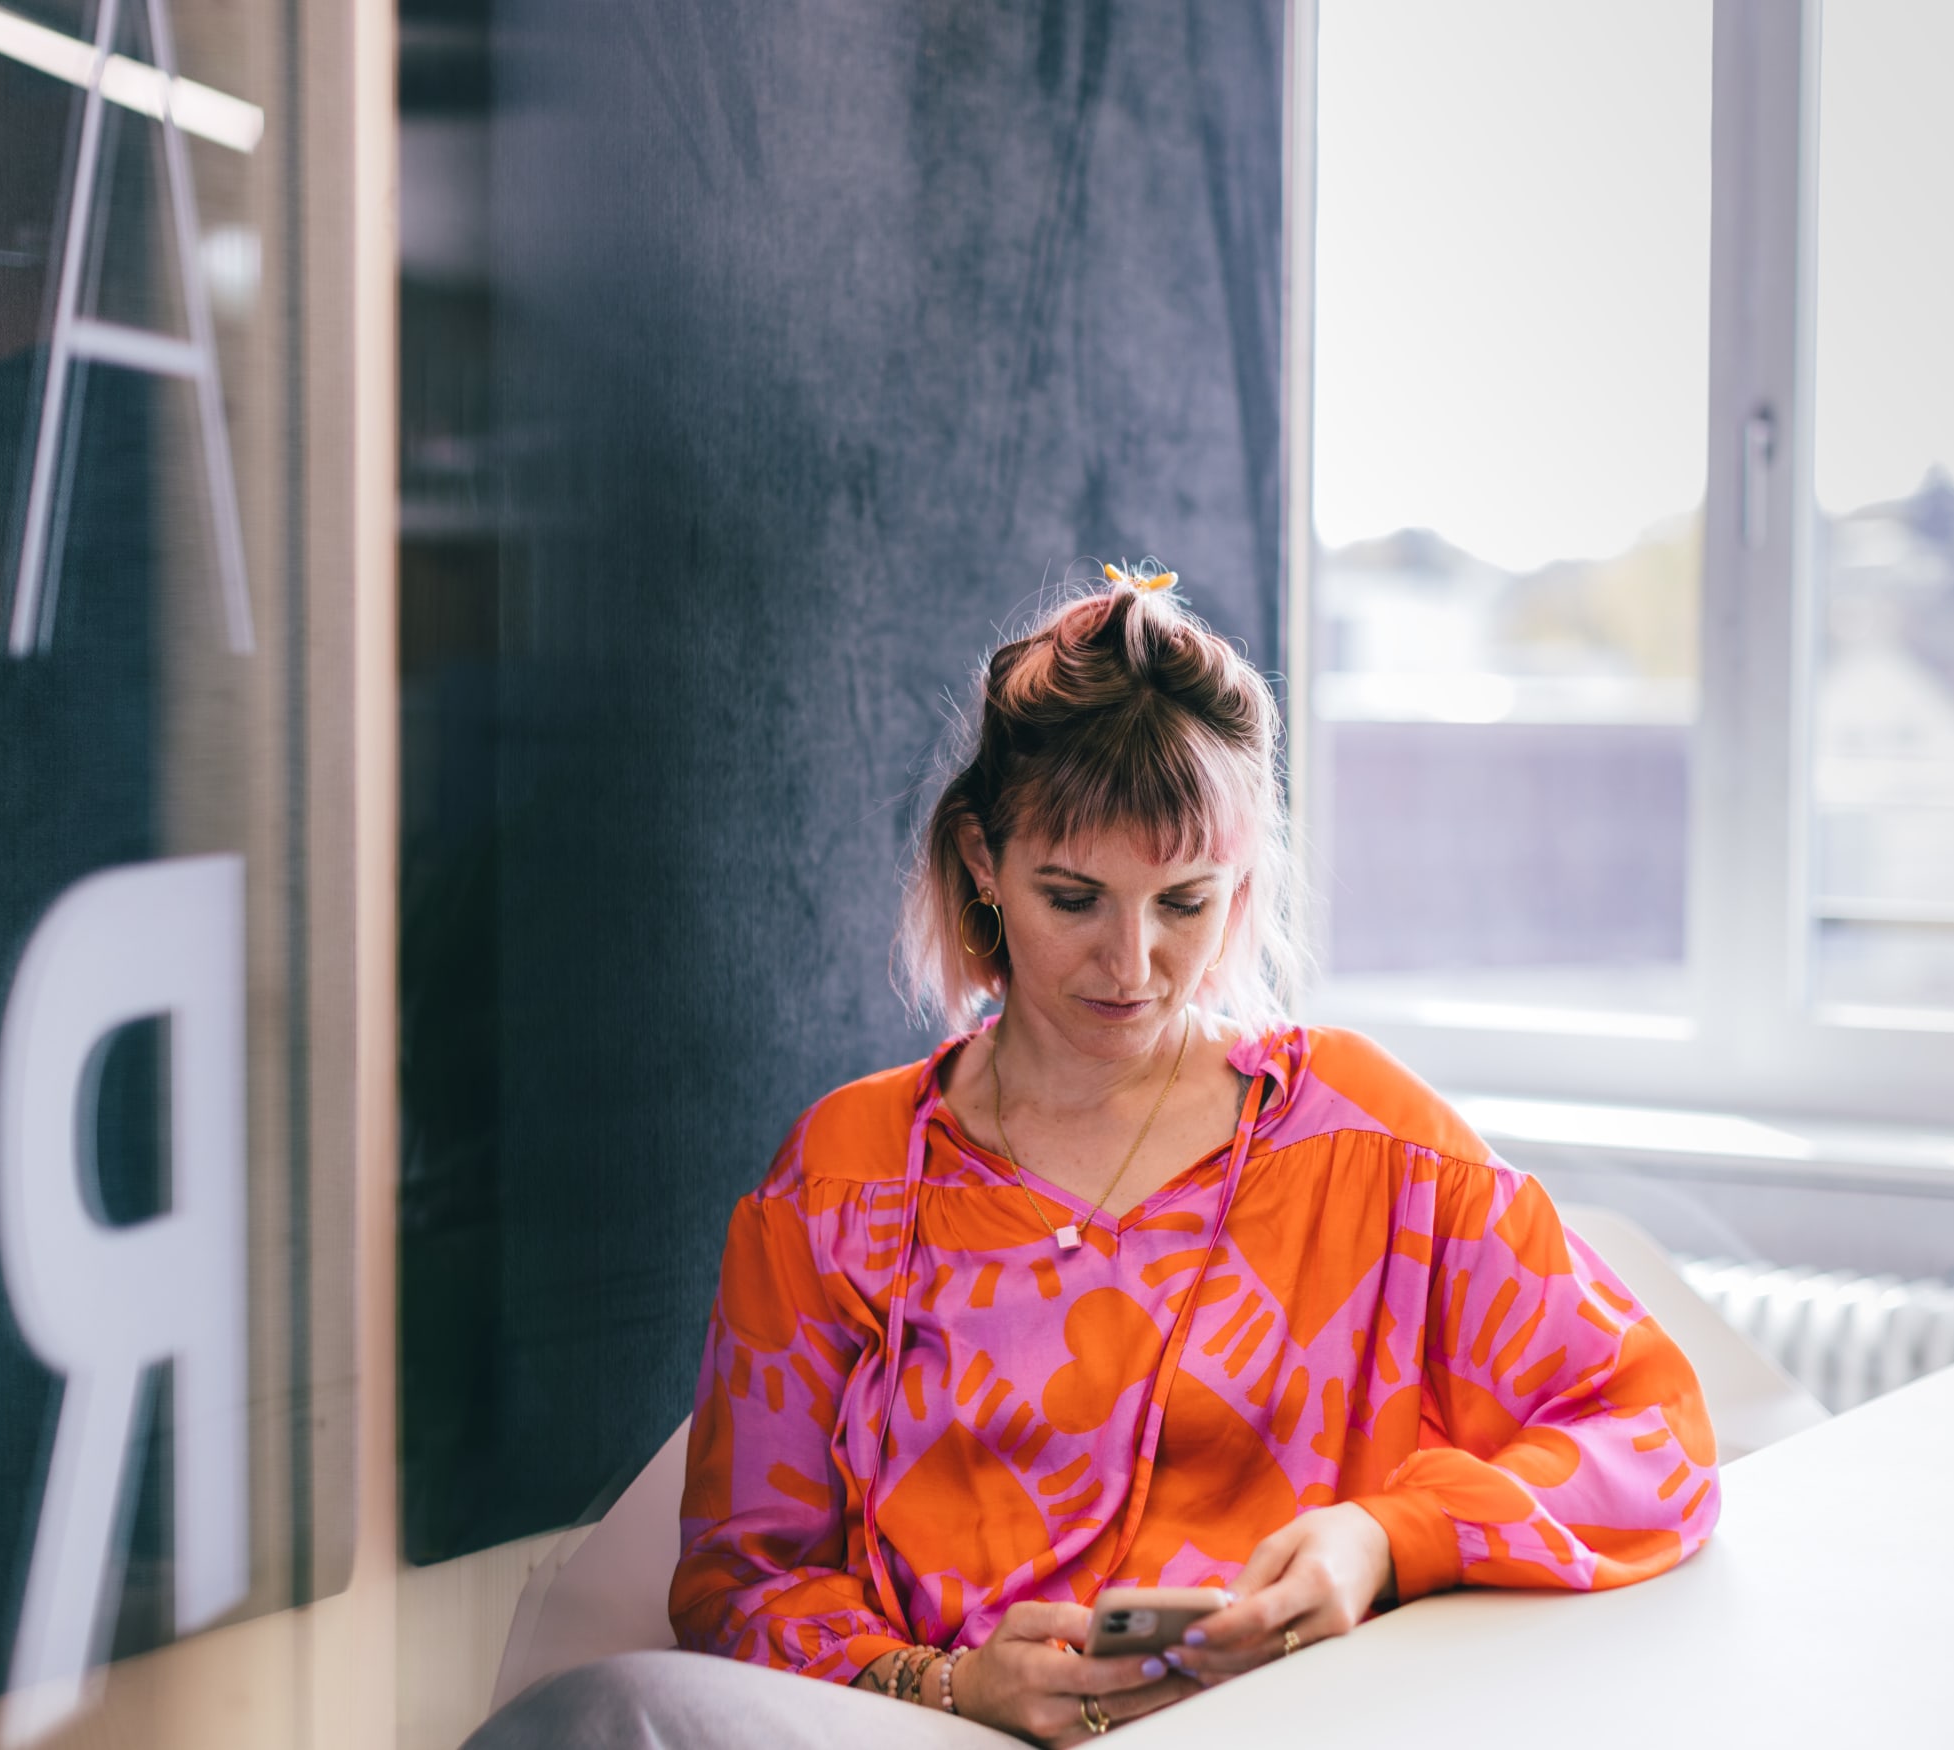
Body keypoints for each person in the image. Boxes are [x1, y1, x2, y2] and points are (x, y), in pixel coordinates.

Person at [473, 567, 1718, 1749]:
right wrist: (953, 1681)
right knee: (603, 1712)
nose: (1131, 968)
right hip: (932, 1728)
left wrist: (1384, 1541)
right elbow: (742, 1581)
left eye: (1184, 903)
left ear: (1239, 889)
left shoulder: (1366, 1141)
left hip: (1274, 1728)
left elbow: (1644, 1429)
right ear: (982, 865)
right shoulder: (843, 1182)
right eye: (1073, 898)